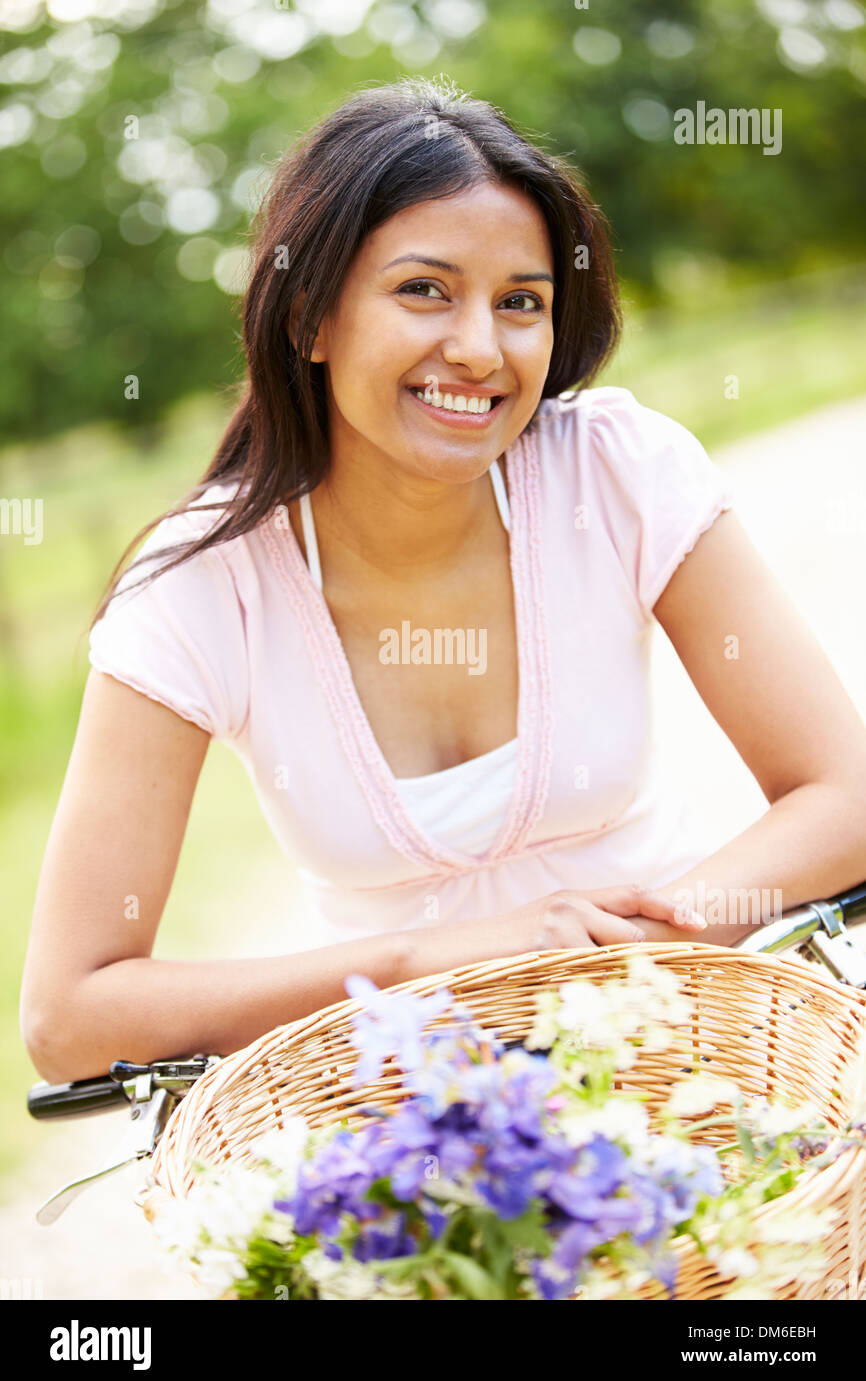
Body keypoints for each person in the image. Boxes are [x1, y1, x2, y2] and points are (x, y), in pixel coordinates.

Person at [21, 77, 866, 1084]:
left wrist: (650, 943)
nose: (477, 348)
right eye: (424, 289)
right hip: (410, 1118)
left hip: (694, 1044)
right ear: (310, 319)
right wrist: (426, 963)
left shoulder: (613, 470)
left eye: (521, 302)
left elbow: (843, 793)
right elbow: (70, 1012)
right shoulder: (199, 590)